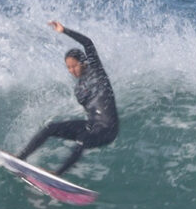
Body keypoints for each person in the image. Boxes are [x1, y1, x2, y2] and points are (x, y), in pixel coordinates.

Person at [16, 21, 119, 176]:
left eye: (74, 66)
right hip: (92, 126)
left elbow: (88, 43)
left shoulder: (97, 72)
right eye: (69, 68)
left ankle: (57, 174)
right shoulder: (79, 86)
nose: (72, 70)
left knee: (83, 139)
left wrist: (64, 30)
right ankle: (20, 158)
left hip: (107, 129)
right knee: (50, 128)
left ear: (83, 63)